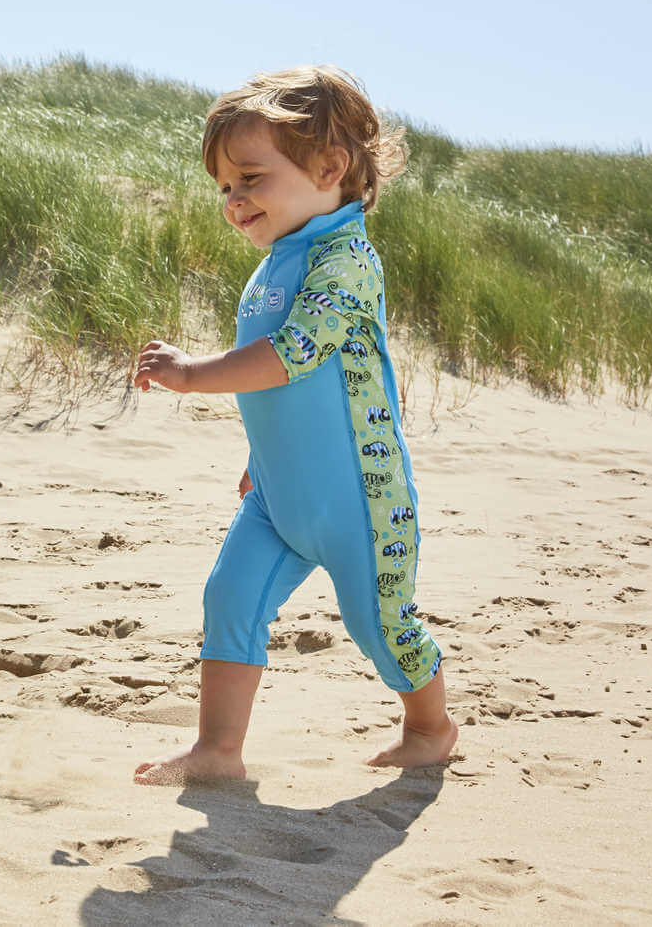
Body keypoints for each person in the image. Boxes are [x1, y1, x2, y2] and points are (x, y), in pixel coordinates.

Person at [131, 66, 456, 784]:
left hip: (358, 501)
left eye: (250, 177)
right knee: (230, 595)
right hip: (279, 496)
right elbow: (288, 396)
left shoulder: (346, 259)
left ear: (329, 166)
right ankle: (218, 749)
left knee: (380, 627)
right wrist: (260, 454)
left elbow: (293, 354)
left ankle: (430, 726)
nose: (234, 199)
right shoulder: (279, 262)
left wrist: (191, 374)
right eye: (224, 187)